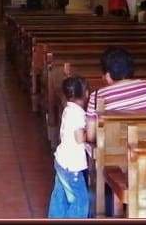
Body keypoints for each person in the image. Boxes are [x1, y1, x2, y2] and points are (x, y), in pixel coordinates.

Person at [86, 47, 146, 213]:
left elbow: (91, 134)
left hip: (115, 158)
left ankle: (98, 207)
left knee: (88, 148)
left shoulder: (97, 96)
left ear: (108, 75)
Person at [48, 76, 90, 218]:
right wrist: (90, 133)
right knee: (80, 200)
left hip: (61, 161)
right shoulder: (78, 113)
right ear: (86, 93)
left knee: (60, 197)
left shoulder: (68, 109)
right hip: (72, 167)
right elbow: (79, 138)